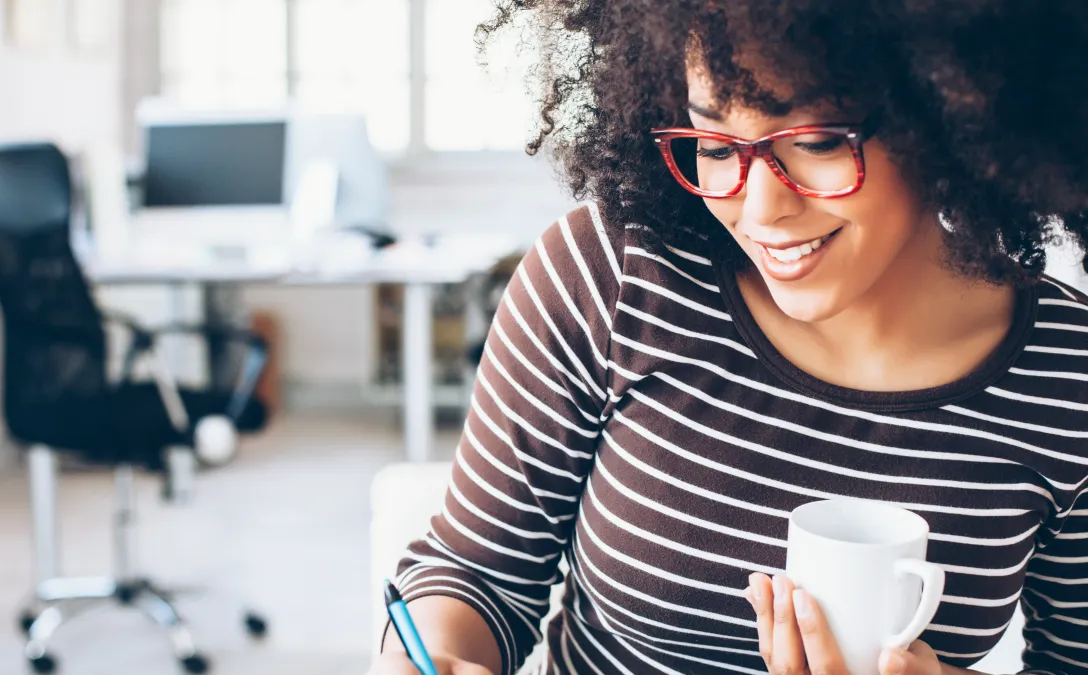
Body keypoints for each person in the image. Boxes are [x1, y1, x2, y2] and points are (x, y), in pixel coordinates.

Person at [370, 1, 1088, 673]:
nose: (761, 206)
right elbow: (479, 570)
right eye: (715, 145)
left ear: (949, 115)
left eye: (815, 139)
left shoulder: (1068, 372)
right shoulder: (616, 279)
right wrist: (437, 651)